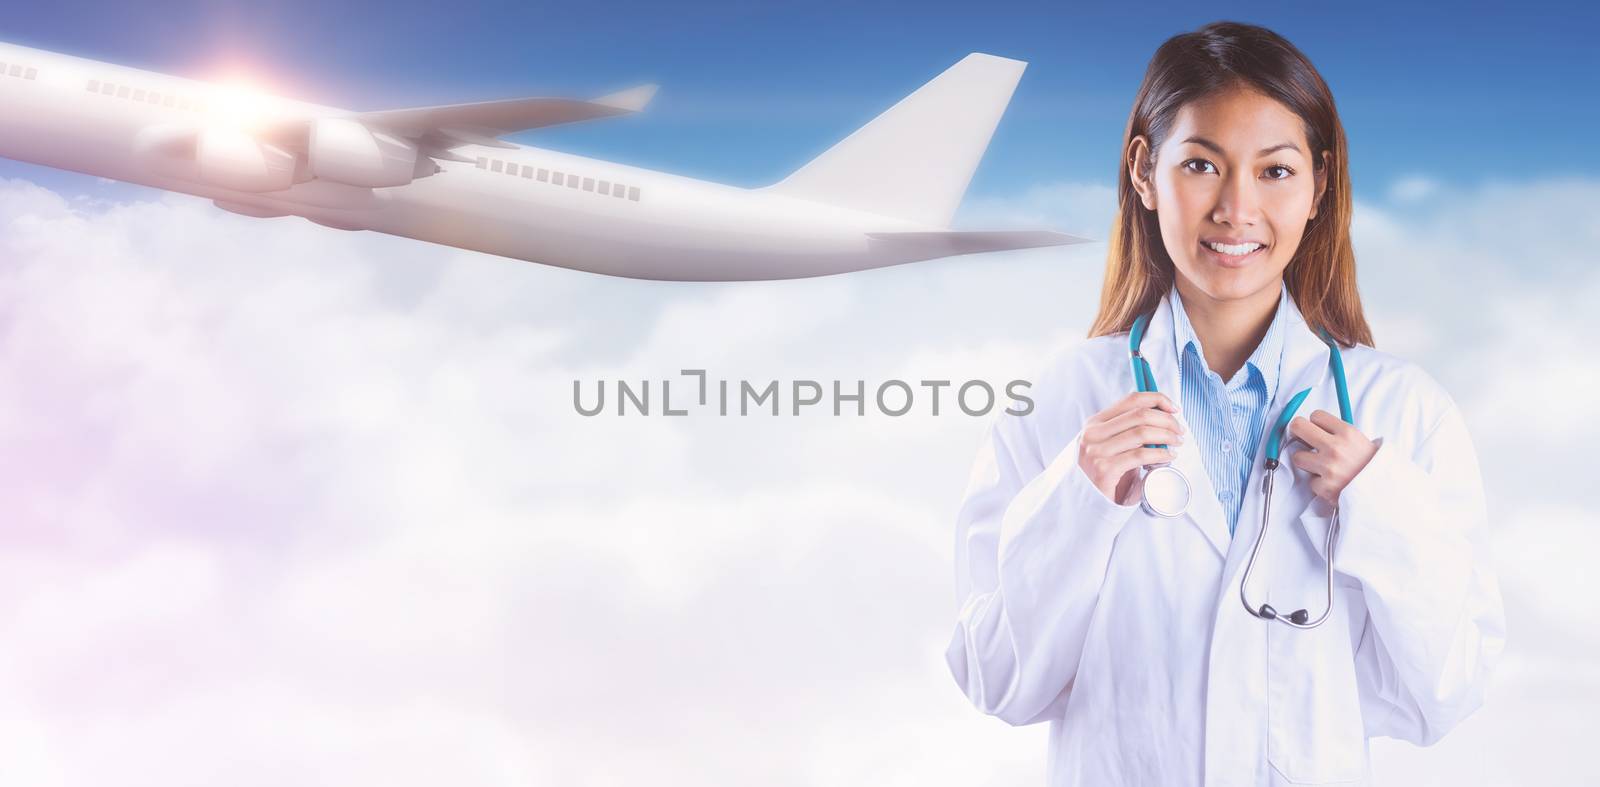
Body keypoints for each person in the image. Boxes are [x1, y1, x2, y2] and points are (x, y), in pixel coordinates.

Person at [944, 21, 1505, 786]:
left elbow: (1448, 689)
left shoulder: (1403, 415)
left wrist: (1380, 503)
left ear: (1320, 186)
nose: (1236, 210)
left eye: (1275, 172)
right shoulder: (1061, 404)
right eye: (1202, 165)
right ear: (1144, 172)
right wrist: (1075, 498)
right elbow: (998, 680)